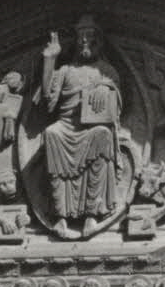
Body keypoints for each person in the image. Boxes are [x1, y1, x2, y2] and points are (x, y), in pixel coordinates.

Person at [40, 15, 124, 237]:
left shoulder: (107, 72)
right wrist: (50, 60)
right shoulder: (65, 71)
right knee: (51, 132)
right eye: (81, 38)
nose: (85, 42)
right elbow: (48, 100)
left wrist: (105, 88)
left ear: (99, 42)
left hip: (92, 129)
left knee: (102, 134)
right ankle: (60, 217)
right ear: (75, 43)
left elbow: (118, 105)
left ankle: (91, 215)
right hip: (66, 125)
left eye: (91, 37)